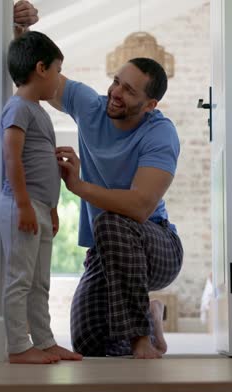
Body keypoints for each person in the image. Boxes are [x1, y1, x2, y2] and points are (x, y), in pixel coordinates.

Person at [53, 57, 182, 359]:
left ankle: (141, 340)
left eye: (129, 91)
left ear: (149, 105)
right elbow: (42, 75)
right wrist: (18, 30)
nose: (116, 93)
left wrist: (79, 186)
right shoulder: (91, 107)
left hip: (157, 248)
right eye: (116, 82)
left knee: (112, 221)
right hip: (106, 249)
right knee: (89, 344)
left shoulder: (160, 133)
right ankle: (151, 316)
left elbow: (139, 207)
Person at [0, 30, 82, 364]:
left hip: (39, 208)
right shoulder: (18, 107)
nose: (60, 80)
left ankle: (45, 341)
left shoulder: (38, 111)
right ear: (42, 68)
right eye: (59, 71)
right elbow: (11, 158)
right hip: (22, 205)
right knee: (20, 278)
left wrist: (53, 209)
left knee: (39, 282)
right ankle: (18, 346)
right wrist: (22, 204)